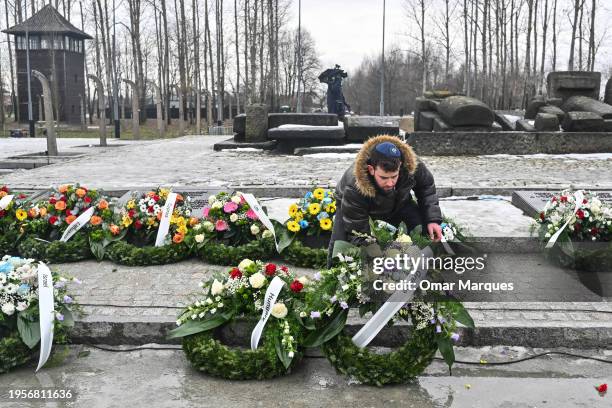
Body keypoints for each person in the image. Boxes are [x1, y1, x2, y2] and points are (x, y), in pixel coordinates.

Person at [328, 135, 443, 264]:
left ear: (400, 165)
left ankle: (426, 269)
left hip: (399, 202)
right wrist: (379, 258)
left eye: (394, 176)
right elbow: (358, 232)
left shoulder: (412, 164)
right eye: (383, 178)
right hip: (356, 205)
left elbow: (426, 187)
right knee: (340, 247)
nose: (390, 183)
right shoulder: (354, 185)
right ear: (371, 169)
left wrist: (432, 219)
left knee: (422, 229)